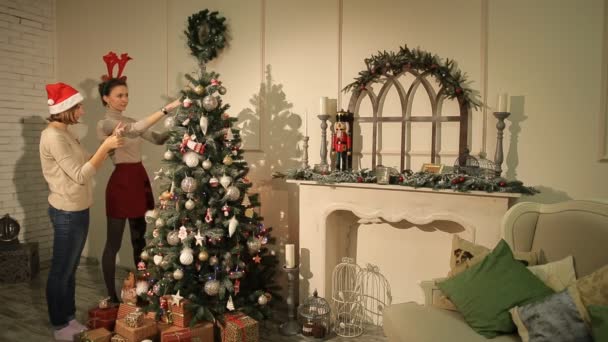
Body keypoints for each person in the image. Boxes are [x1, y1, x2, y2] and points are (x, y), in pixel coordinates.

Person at [40, 82, 124, 341]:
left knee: (70, 268)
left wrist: (108, 145)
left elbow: (88, 161)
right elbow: (80, 175)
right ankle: (59, 325)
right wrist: (106, 147)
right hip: (66, 212)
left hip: (78, 209)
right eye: (78, 106)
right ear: (66, 109)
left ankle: (68, 318)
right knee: (61, 271)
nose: (83, 110)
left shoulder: (66, 133)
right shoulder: (53, 136)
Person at [96, 52, 181, 303]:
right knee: (113, 244)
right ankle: (111, 295)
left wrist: (178, 128)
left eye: (126, 95)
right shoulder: (105, 124)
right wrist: (166, 108)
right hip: (121, 183)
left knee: (139, 242)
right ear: (106, 98)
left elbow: (155, 138)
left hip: (138, 181)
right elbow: (136, 129)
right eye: (119, 95)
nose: (124, 99)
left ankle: (142, 292)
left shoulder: (130, 120)